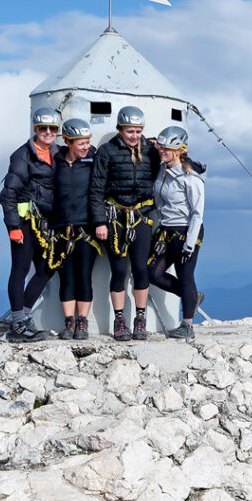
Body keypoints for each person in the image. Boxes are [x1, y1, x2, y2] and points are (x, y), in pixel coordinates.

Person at [89, 106, 160, 341]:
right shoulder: (107, 152)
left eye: (138, 131)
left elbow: (168, 165)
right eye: (130, 131)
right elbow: (96, 189)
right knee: (118, 270)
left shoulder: (150, 151)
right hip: (115, 218)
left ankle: (140, 319)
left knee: (140, 268)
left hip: (141, 216)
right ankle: (119, 320)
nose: (135, 136)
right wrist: (100, 221)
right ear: (120, 129)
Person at [0, 107, 60, 343]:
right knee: (21, 269)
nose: (47, 132)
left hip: (46, 223)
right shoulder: (23, 156)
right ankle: (18, 324)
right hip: (24, 222)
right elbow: (8, 194)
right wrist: (13, 227)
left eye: (52, 128)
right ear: (35, 129)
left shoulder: (57, 153)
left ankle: (22, 319)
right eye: (42, 128)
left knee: (46, 268)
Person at [148, 126, 206, 341]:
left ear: (180, 150)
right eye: (161, 148)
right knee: (151, 273)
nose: (161, 152)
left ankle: (187, 327)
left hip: (185, 232)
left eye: (167, 149)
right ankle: (192, 297)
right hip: (165, 231)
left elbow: (197, 213)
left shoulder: (191, 177)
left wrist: (189, 245)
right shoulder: (163, 170)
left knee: (185, 276)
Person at [49, 118, 100, 340]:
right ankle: (68, 322)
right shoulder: (55, 162)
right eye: (81, 143)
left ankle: (82, 321)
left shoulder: (92, 161)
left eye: (87, 142)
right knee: (66, 277)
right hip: (60, 227)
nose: (86, 146)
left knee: (84, 276)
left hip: (85, 228)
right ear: (68, 142)